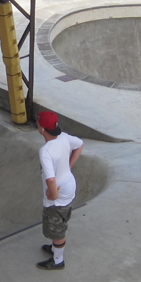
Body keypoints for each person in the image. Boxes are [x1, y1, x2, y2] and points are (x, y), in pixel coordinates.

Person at [36, 110, 84, 270]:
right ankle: (55, 247)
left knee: (56, 228)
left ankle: (58, 260)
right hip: (69, 185)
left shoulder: (46, 151)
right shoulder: (63, 137)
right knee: (60, 220)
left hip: (59, 193)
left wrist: (53, 195)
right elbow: (80, 144)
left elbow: (50, 179)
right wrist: (68, 167)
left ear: (42, 129)